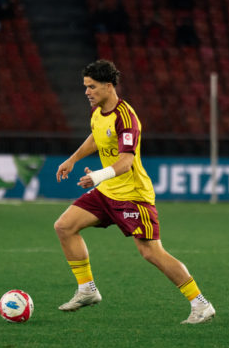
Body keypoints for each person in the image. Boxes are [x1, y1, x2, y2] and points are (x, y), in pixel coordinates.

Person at [54, 59, 215, 324]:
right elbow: (97, 136)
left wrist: (97, 176)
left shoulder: (126, 117)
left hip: (132, 195)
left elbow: (126, 162)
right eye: (85, 86)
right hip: (107, 192)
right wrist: (73, 159)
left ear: (108, 86)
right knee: (64, 226)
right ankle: (87, 290)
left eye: (92, 86)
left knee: (151, 252)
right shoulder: (97, 111)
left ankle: (201, 304)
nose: (86, 92)